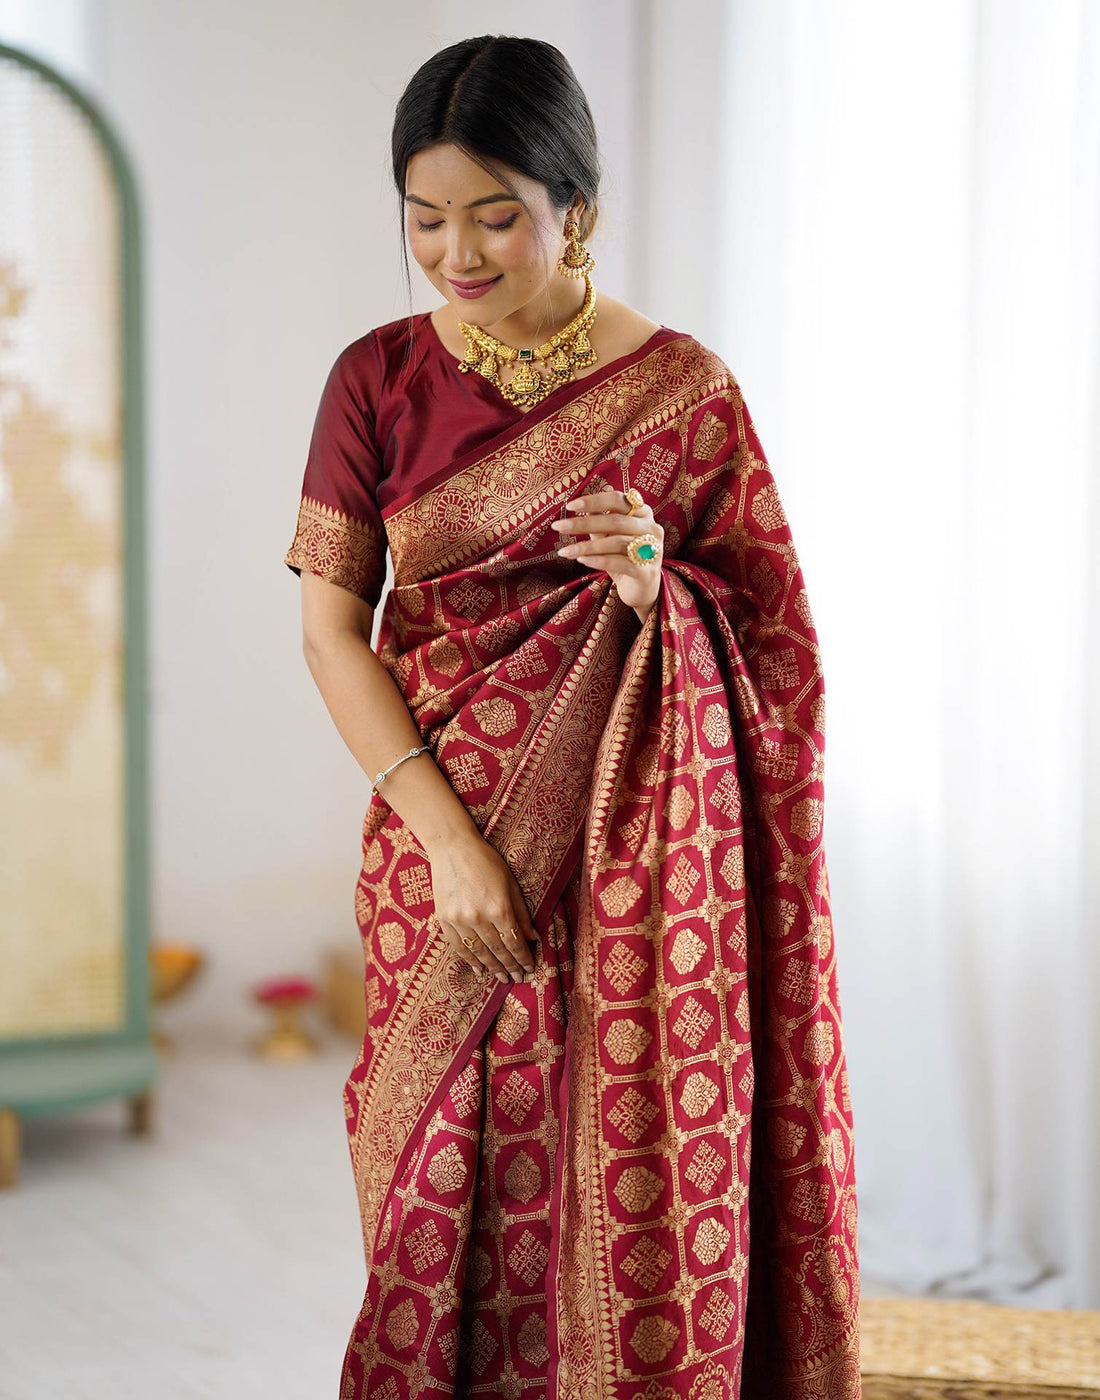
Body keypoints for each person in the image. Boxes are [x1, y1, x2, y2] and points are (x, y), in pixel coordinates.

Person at [283, 33, 861, 1400]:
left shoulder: (686, 392)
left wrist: (662, 581)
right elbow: (328, 632)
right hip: (440, 844)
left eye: (496, 216)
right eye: (425, 219)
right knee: (429, 1191)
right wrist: (452, 844)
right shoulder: (374, 379)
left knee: (626, 1158)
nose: (457, 252)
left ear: (573, 210)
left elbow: (776, 649)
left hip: (639, 871)